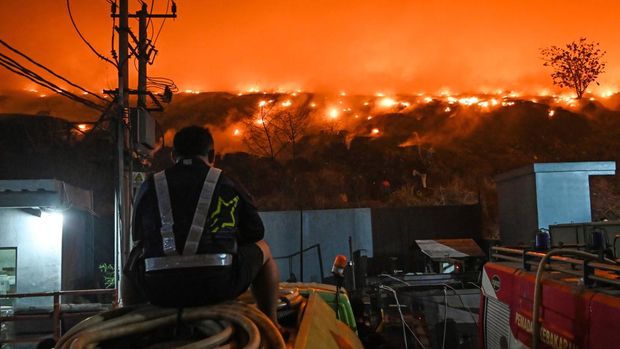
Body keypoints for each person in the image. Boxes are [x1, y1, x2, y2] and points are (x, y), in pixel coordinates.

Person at [125, 126, 280, 324]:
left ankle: (129, 326)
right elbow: (256, 232)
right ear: (212, 154)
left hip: (160, 288)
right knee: (263, 248)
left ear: (174, 156)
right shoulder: (227, 183)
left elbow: (138, 236)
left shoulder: (150, 185)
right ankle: (272, 324)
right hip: (218, 285)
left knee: (133, 256)